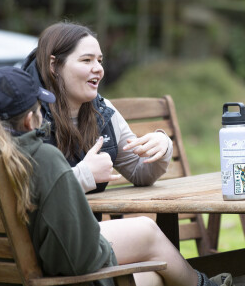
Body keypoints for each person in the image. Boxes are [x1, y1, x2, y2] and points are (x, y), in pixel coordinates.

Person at [0, 66, 245, 286]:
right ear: (28, 120)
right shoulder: (39, 158)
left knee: (146, 252)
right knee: (149, 263)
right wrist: (114, 244)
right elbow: (77, 260)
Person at [19, 21, 171, 198]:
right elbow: (25, 190)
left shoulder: (104, 111)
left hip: (93, 216)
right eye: (86, 60)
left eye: (99, 61)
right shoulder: (27, 114)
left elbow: (140, 172)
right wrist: (85, 175)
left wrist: (163, 145)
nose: (99, 69)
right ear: (53, 65)